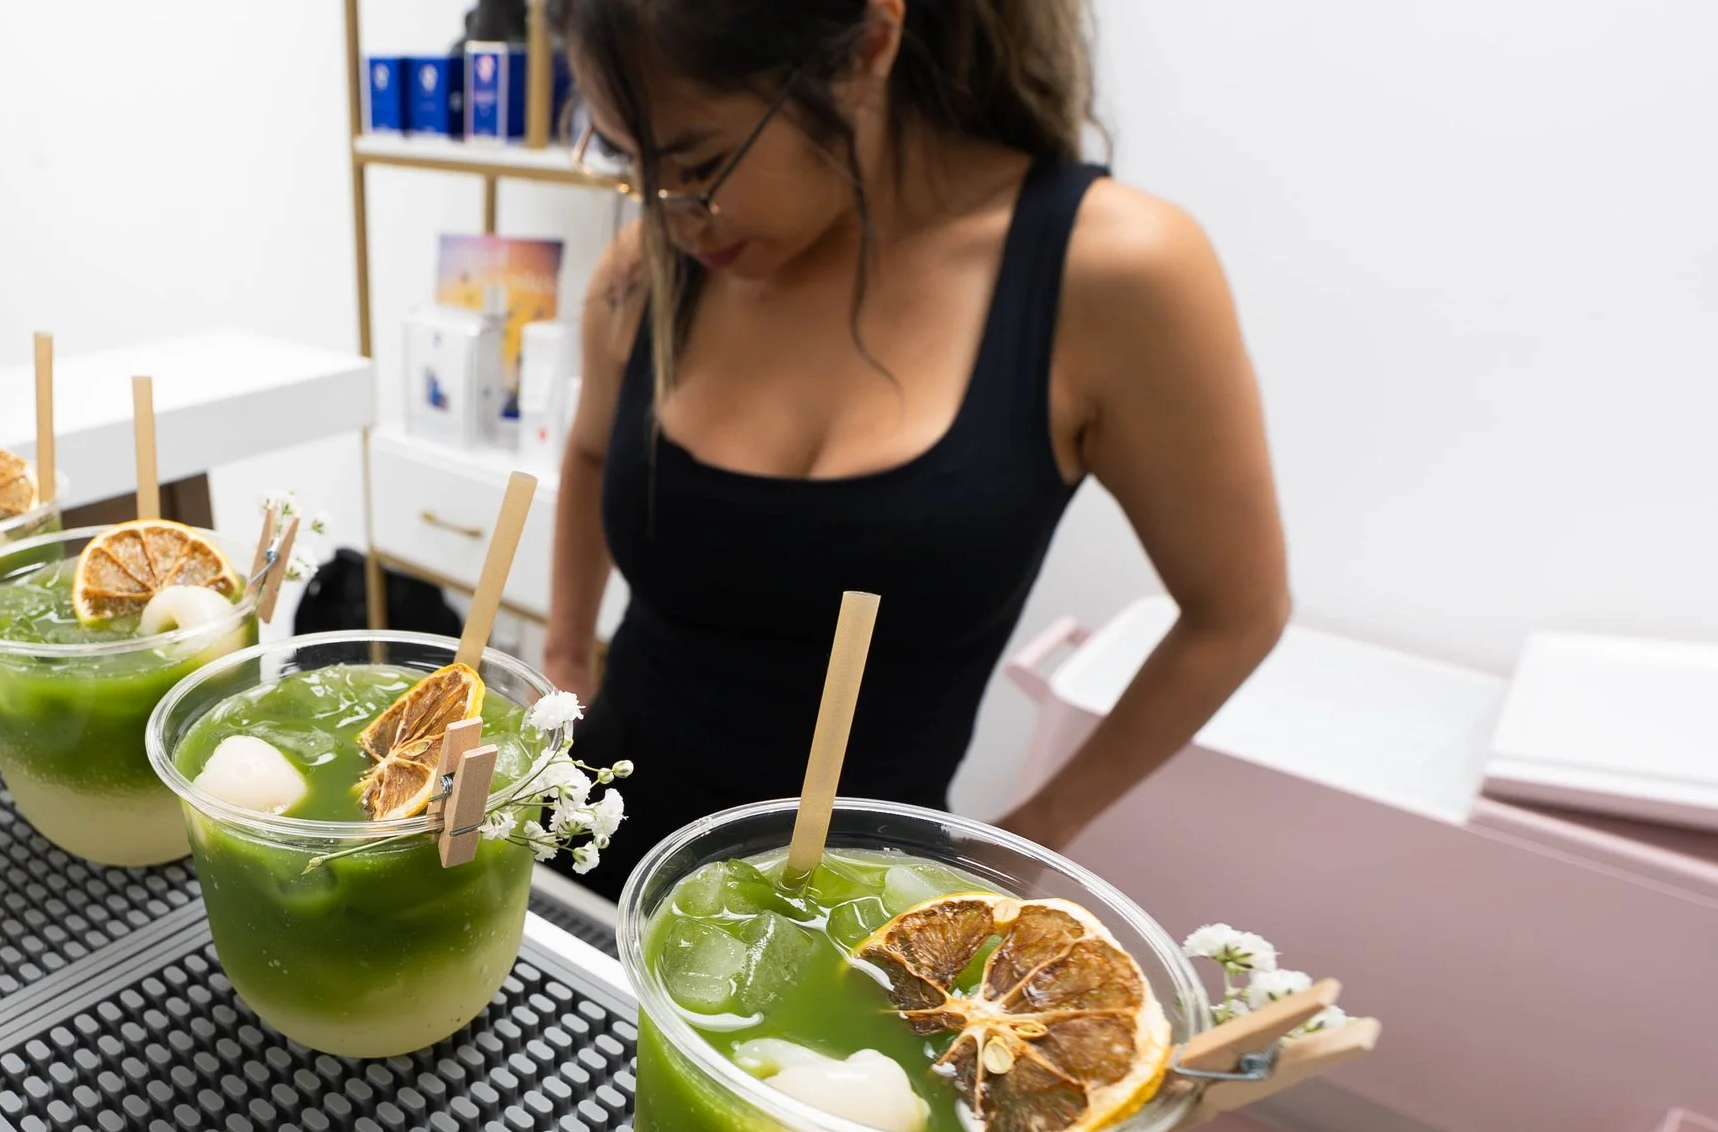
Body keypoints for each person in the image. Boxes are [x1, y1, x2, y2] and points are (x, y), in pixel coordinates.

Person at [542, 0, 1290, 894]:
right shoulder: (650, 270)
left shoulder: (1112, 273)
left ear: (868, 43)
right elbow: (590, 450)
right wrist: (563, 657)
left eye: (700, 162)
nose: (672, 218)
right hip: (597, 834)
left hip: (851, 904)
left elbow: (1236, 613)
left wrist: (1033, 834)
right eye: (632, 162)